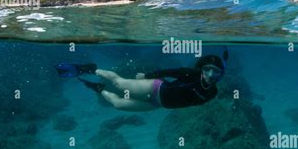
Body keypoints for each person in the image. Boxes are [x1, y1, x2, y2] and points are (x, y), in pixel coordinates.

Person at [54, 50, 228, 112]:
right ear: (201, 69)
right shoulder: (191, 74)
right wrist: (147, 75)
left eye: (216, 72)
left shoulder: (212, 93)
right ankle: (90, 69)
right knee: (119, 84)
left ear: (221, 75)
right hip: (154, 89)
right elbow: (170, 71)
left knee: (118, 105)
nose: (211, 75)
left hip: (157, 105)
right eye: (208, 70)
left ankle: (98, 88)